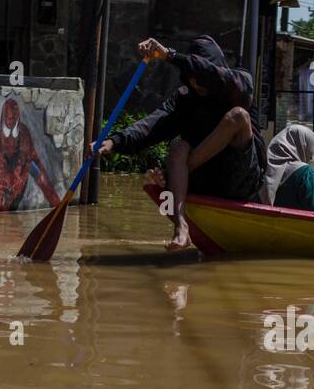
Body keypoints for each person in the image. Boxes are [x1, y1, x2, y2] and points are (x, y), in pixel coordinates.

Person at [103, 35, 266, 250]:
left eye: (200, 77)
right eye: (192, 78)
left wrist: (170, 56)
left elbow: (218, 77)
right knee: (179, 147)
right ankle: (181, 227)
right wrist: (114, 142)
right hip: (205, 178)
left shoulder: (239, 83)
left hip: (241, 179)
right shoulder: (184, 99)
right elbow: (151, 125)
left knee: (238, 116)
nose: (196, 83)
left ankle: (174, 175)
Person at [264, 124, 314, 213]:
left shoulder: (266, 167)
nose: (313, 154)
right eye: (313, 149)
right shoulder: (307, 173)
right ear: (303, 146)